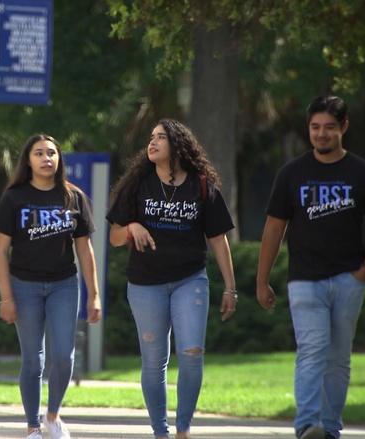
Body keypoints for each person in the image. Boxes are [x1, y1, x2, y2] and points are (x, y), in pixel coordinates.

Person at [256, 96, 365, 439]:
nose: (321, 134)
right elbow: (274, 229)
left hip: (349, 279)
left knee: (338, 358)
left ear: (343, 127)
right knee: (312, 349)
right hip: (304, 280)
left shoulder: (364, 174)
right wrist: (262, 280)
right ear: (309, 129)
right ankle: (307, 425)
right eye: (315, 127)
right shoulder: (292, 173)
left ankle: (329, 428)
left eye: (329, 128)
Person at [106, 118, 238, 439]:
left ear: (177, 144)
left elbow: (218, 239)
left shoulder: (202, 184)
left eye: (160, 137)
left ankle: (183, 429)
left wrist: (231, 288)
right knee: (154, 361)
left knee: (192, 353)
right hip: (145, 283)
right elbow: (114, 236)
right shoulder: (137, 184)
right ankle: (160, 432)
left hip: (189, 280)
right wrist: (132, 228)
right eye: (150, 137)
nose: (151, 142)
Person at [0, 134, 102, 439]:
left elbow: (85, 250)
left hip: (63, 285)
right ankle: (33, 426)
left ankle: (53, 416)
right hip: (23, 285)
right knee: (33, 359)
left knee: (64, 355)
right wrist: (6, 297)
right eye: (39, 153)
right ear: (28, 160)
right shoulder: (14, 198)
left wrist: (94, 295)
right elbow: (0, 252)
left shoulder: (73, 197)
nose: (46, 158)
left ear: (59, 159)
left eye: (52, 153)